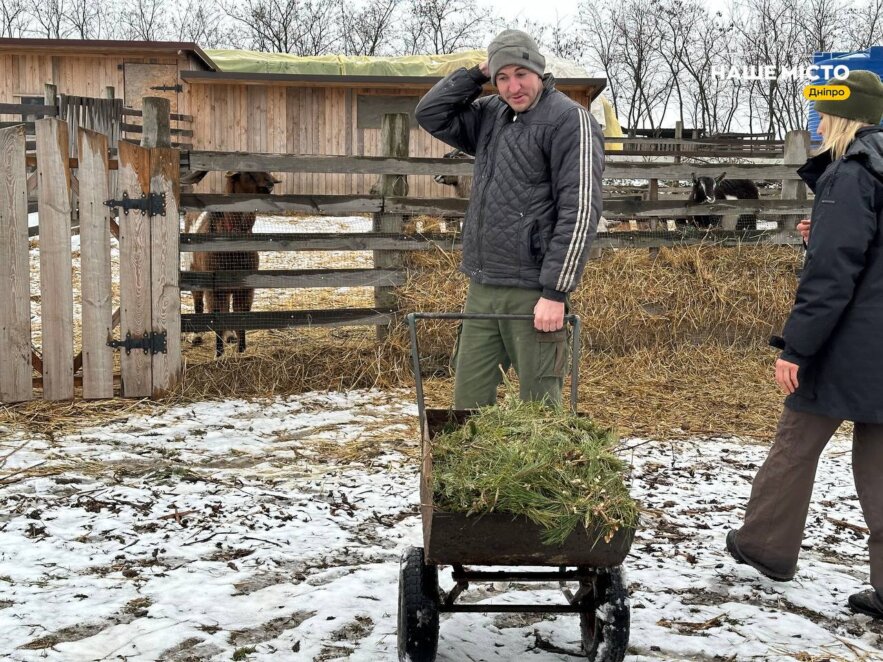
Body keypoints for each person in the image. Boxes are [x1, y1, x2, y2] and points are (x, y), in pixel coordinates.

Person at [726, 69, 883, 620]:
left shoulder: (853, 173)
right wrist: (829, 230)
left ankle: (764, 548)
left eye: (822, 110)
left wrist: (797, 348)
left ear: (844, 114)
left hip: (850, 341)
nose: (814, 121)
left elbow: (832, 276)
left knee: (796, 443)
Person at [414, 29, 604, 409]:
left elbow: (580, 210)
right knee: (467, 403)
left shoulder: (570, 121)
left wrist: (555, 292)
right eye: (502, 77)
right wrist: (478, 73)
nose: (513, 86)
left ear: (539, 70)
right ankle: (468, 468)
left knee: (538, 410)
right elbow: (429, 114)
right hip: (483, 287)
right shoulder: (490, 115)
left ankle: (542, 470)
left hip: (533, 292)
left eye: (521, 73)